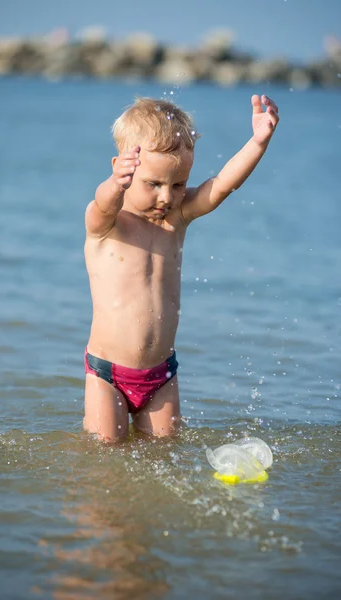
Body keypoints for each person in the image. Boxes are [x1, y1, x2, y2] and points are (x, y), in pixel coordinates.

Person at [83, 94, 279, 441]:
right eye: (153, 184)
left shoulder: (176, 219)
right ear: (123, 168)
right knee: (105, 454)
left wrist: (258, 143)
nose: (166, 197)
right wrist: (115, 184)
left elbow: (220, 187)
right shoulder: (108, 223)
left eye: (177, 185)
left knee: (165, 453)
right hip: (108, 374)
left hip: (161, 376)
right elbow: (102, 201)